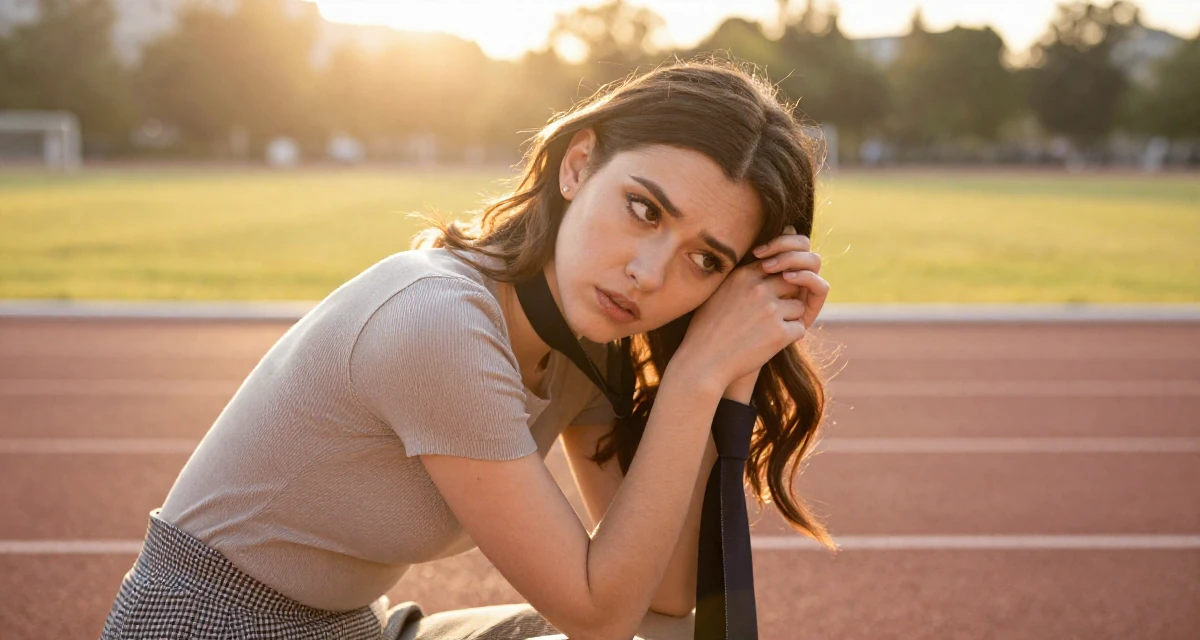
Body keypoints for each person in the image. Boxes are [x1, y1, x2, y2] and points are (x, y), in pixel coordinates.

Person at [100, 60, 834, 640]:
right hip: (212, 628)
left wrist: (728, 372)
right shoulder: (439, 322)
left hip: (348, 628)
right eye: (643, 210)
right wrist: (694, 379)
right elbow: (599, 614)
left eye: (705, 261)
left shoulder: (590, 341)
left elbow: (667, 596)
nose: (648, 274)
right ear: (577, 166)